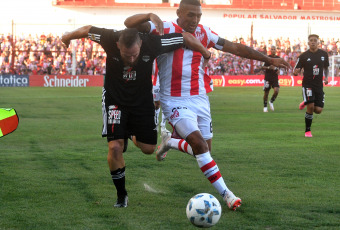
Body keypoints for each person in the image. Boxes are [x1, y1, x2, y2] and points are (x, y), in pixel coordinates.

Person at [124, 0, 291, 211]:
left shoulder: (204, 33)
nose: (195, 20)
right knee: (200, 146)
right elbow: (129, 23)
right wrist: (149, 15)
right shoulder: (163, 28)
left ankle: (169, 142)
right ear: (179, 13)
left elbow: (234, 47)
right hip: (174, 100)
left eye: (198, 16)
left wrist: (267, 58)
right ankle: (227, 195)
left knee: (204, 151)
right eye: (190, 15)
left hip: (200, 99)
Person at [61, 25, 211, 208]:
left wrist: (206, 53)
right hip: (115, 100)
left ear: (141, 44)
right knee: (115, 147)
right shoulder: (109, 37)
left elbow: (185, 37)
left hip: (142, 102)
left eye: (134, 55)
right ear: (117, 45)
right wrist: (67, 36)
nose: (131, 59)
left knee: (148, 148)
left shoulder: (152, 43)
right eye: (126, 55)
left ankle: (128, 133)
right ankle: (121, 195)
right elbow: (86, 30)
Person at [293, 34, 329, 138]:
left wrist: (326, 77)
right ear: (308, 43)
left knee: (318, 110)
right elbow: (296, 70)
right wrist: (296, 72)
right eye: (311, 40)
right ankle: (307, 131)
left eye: (315, 40)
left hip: (319, 85)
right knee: (311, 106)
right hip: (307, 84)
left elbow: (326, 68)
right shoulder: (303, 56)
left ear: (318, 42)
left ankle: (306, 101)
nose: (313, 42)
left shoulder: (324, 54)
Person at [261, 46, 281, 112]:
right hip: (268, 78)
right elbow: (262, 66)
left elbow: (280, 66)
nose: (273, 50)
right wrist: (269, 67)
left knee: (276, 90)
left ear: (276, 50)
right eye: (272, 49)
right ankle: (265, 106)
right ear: (270, 50)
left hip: (275, 77)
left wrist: (278, 70)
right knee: (266, 93)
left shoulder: (278, 58)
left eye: (274, 49)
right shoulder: (267, 58)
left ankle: (271, 101)